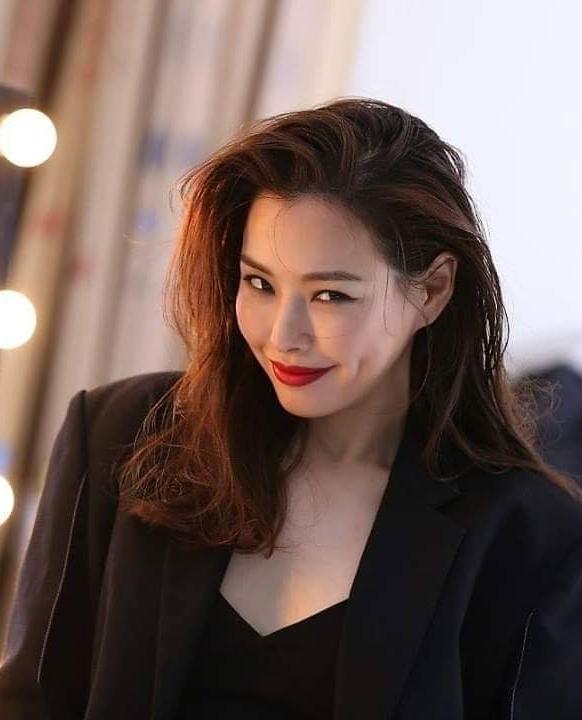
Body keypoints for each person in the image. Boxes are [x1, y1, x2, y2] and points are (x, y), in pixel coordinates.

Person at [1, 97, 582, 720]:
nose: (283, 334)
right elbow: (32, 700)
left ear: (432, 291)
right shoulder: (117, 433)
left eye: (330, 295)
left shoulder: (531, 537)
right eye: (259, 283)